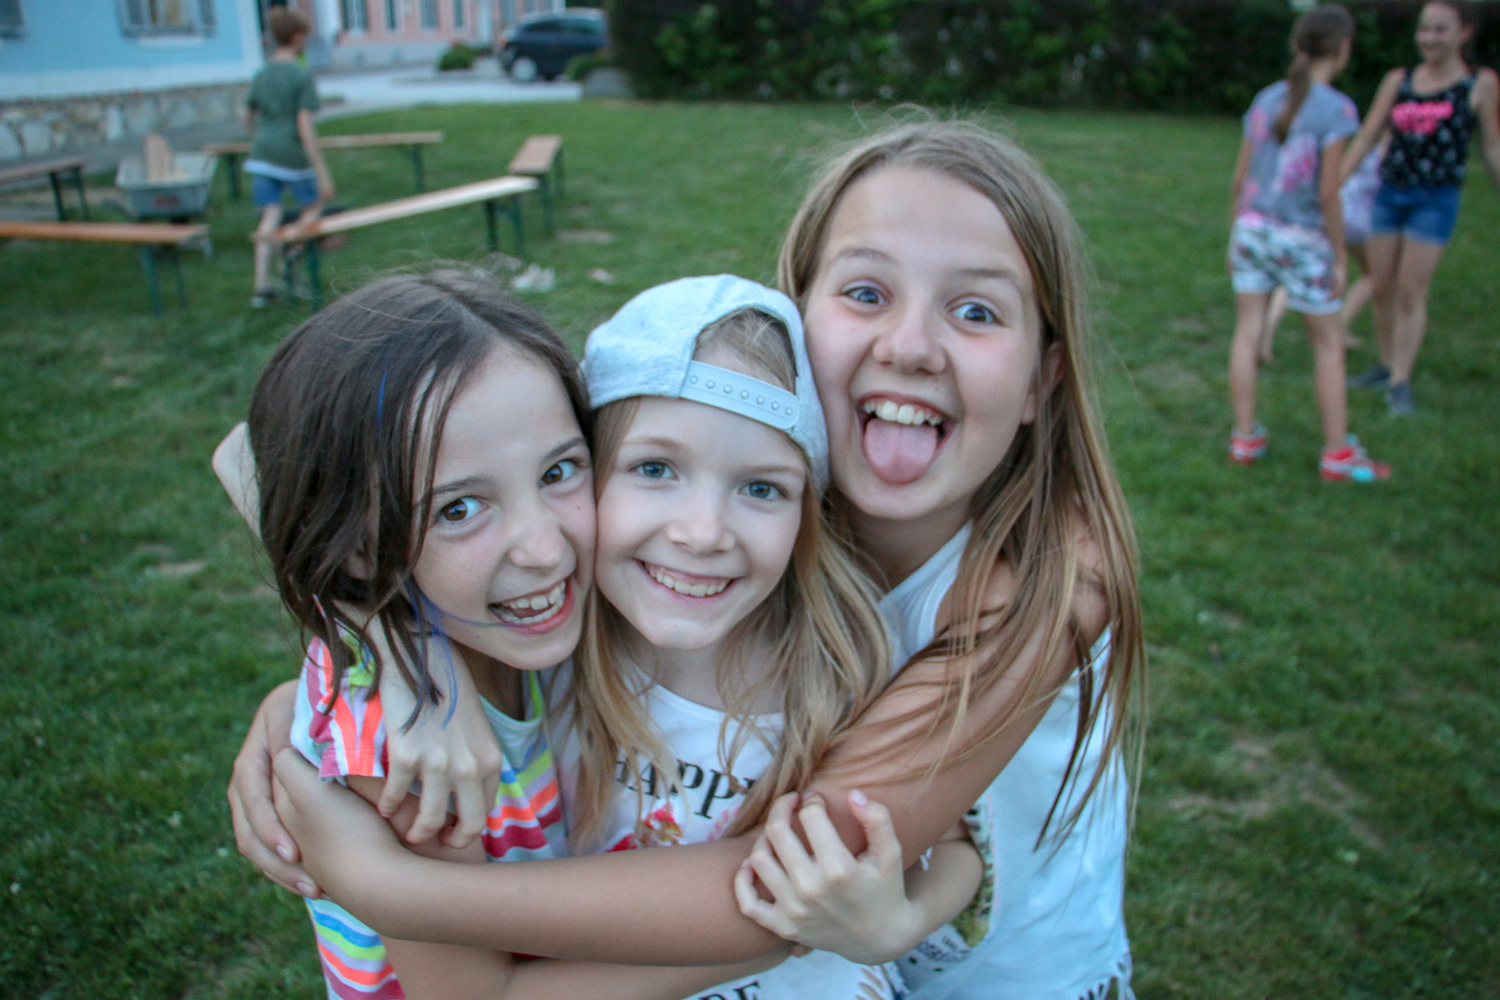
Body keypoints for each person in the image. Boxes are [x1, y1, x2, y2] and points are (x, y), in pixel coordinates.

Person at [235, 118, 1147, 1000]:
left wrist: (390, 889)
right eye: (866, 294)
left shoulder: (1051, 579)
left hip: (1004, 977)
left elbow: (788, 892)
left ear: (1043, 377)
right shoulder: (743, 455)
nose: (907, 346)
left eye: (977, 311)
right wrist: (376, 646)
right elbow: (278, 457)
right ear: (799, 320)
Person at [232, 268, 784, 999]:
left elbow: (237, 455)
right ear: (359, 550)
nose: (544, 549)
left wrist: (394, 639)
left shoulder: (501, 630)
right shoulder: (404, 748)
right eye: (458, 510)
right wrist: (778, 935)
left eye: (559, 471)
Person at [1225, 4, 1390, 481]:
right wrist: (1338, 256)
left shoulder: (1265, 99)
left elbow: (1240, 180)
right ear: (1343, 49)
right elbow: (1328, 193)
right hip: (1302, 238)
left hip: (1251, 230)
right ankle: (1337, 455)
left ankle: (1243, 440)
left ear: (1298, 46)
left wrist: (1236, 231)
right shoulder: (1337, 109)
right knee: (1328, 345)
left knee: (1247, 332)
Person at [1342, 0, 1500, 415]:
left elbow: (1491, 146)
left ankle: (1400, 381)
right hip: (1389, 193)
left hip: (1435, 199)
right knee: (1381, 286)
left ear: (1465, 32)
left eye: (1440, 29)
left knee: (1411, 291)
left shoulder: (1479, 83)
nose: (1429, 38)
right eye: (1424, 29)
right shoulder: (1399, 80)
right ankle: (1385, 364)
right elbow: (1367, 136)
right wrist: (1335, 181)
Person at [246, 8, 335, 309]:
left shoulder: (262, 73)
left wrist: (260, 135)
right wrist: (321, 171)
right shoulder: (299, 73)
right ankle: (291, 253)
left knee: (269, 215)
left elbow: (246, 114)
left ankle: (261, 286)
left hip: (261, 152)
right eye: (305, 38)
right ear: (297, 38)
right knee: (315, 205)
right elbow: (304, 125)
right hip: (291, 154)